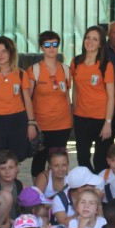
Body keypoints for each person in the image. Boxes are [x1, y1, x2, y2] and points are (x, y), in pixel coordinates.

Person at [0, 36, 36, 162]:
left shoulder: (21, 74)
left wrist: (31, 123)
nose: (0, 55)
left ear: (11, 53)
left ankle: (13, 181)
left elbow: (27, 100)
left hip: (17, 120)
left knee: (15, 158)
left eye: (4, 51)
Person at [27, 30, 73, 177]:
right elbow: (27, 98)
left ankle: (57, 192)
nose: (51, 48)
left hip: (62, 124)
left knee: (58, 163)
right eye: (47, 45)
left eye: (54, 44)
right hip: (41, 124)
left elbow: (66, 96)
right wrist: (31, 122)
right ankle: (37, 194)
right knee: (39, 160)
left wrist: (71, 119)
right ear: (42, 47)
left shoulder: (66, 70)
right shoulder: (34, 70)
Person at [71, 25, 115, 172]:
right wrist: (75, 111)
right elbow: (76, 89)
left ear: (101, 43)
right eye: (87, 37)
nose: (90, 41)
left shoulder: (105, 65)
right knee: (82, 158)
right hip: (81, 118)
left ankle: (99, 189)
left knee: (101, 160)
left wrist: (108, 122)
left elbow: (111, 96)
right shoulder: (76, 62)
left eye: (95, 39)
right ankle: (89, 186)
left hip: (102, 119)